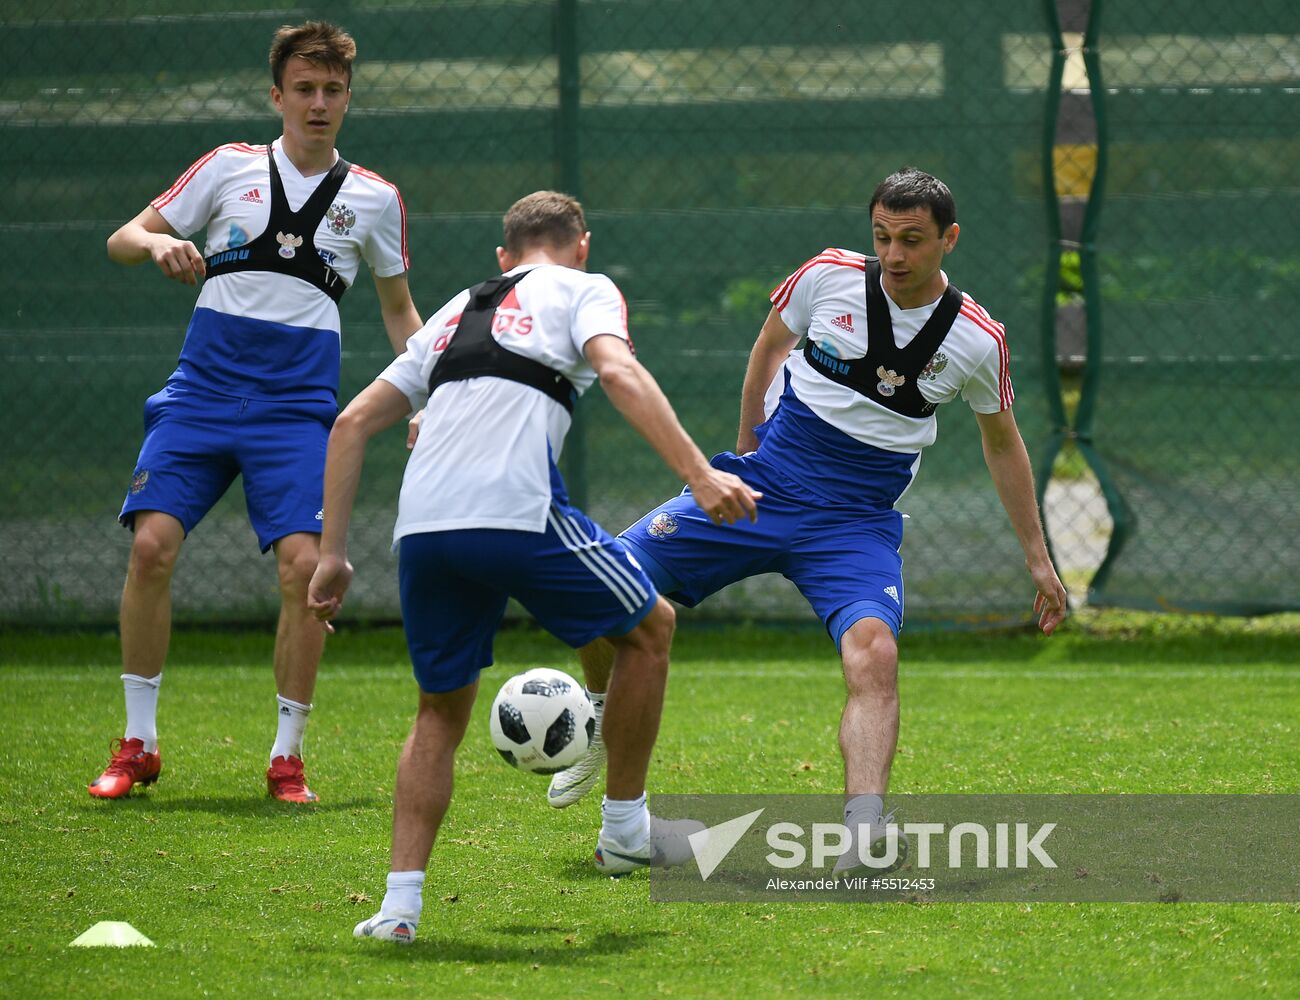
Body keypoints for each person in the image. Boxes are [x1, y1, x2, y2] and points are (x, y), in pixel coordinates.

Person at [547, 167, 1068, 874]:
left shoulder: (978, 340)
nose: (894, 255)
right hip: (761, 486)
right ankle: (605, 716)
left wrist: (1038, 558)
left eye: (913, 240)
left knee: (874, 651)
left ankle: (863, 830)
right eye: (882, 236)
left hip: (855, 524)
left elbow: (1003, 442)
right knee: (605, 585)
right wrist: (741, 449)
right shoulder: (826, 276)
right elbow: (768, 347)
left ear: (949, 239)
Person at [306, 191, 759, 943]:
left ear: (502, 259)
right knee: (651, 626)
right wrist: (701, 475)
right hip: (513, 509)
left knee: (437, 713)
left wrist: (331, 553)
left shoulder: (454, 310)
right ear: (582, 246)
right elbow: (619, 374)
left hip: (423, 528)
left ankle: (398, 908)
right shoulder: (587, 290)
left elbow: (352, 423)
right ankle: (625, 832)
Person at [89, 21, 422, 804]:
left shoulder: (375, 199)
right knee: (151, 548)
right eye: (303, 89)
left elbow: (401, 312)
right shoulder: (227, 167)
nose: (318, 103)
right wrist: (154, 244)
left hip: (295, 409)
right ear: (277, 95)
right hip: (201, 395)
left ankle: (286, 758)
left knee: (305, 570)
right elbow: (120, 238)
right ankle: (137, 744)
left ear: (348, 98)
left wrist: (426, 395)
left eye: (332, 91)